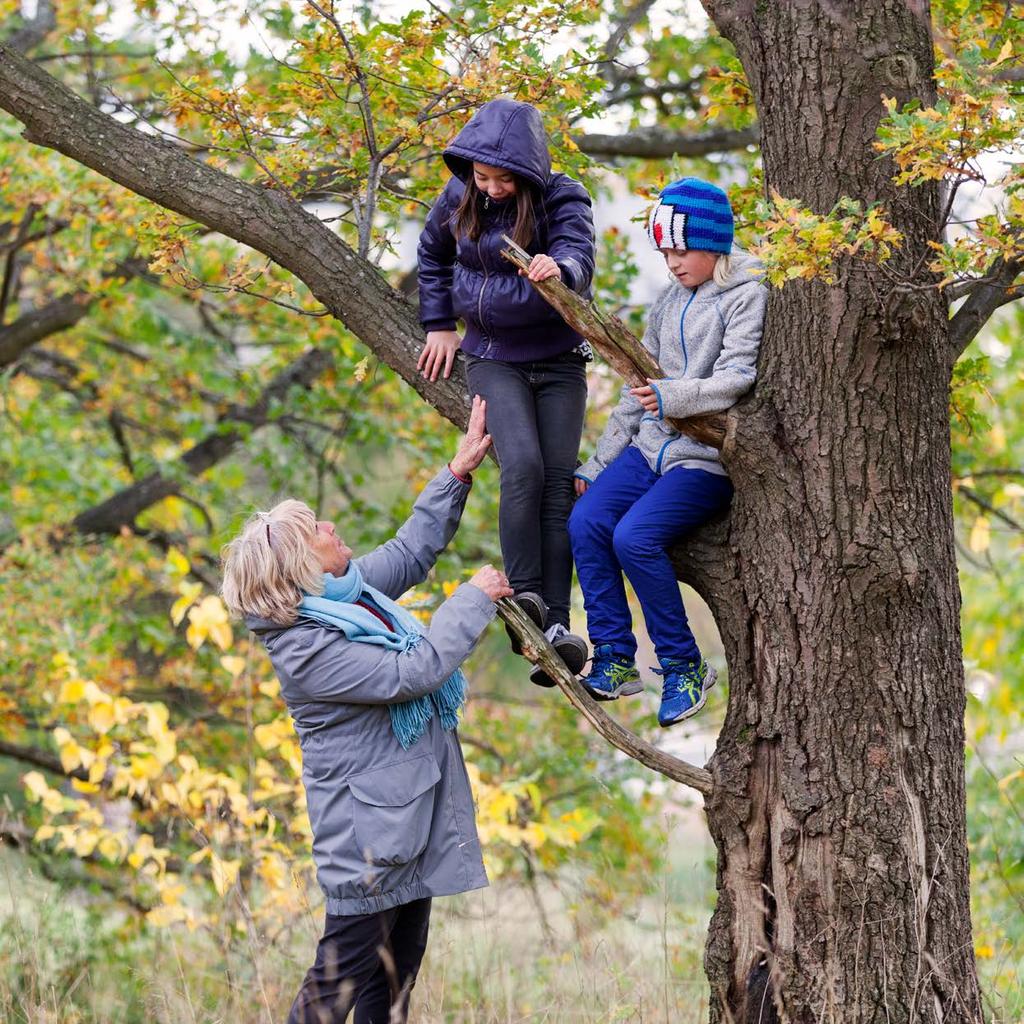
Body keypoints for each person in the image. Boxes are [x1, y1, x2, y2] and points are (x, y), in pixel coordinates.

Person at [221, 397, 513, 1024]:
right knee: (334, 992)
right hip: (369, 844)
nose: (330, 528)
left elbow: (409, 553)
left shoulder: (345, 598)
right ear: (300, 565)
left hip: (403, 826)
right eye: (316, 531)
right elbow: (414, 673)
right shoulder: (305, 647)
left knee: (393, 982)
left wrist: (455, 474)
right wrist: (472, 600)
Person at [569, 178, 767, 727]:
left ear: (714, 244)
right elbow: (637, 389)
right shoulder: (667, 301)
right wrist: (600, 463)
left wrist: (672, 395)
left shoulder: (748, 293)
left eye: (681, 251)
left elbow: (736, 377)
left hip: (701, 460)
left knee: (635, 537)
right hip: (649, 448)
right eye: (664, 252)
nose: (672, 263)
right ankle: (613, 657)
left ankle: (682, 665)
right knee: (586, 521)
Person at [416, 97, 595, 687]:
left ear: (528, 171)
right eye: (481, 176)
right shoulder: (460, 197)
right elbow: (432, 255)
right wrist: (439, 324)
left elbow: (577, 249)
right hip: (493, 356)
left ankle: (559, 626)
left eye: (501, 178)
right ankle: (526, 605)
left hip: (560, 360)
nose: (489, 188)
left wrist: (559, 269)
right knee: (522, 468)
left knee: (557, 484)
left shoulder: (561, 195)